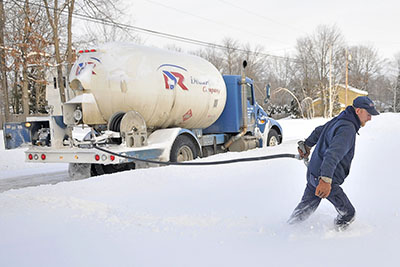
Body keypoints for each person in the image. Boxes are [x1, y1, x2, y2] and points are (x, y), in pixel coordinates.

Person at [288, 96, 379, 231]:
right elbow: (332, 155)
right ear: (358, 110)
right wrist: (325, 180)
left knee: (304, 210)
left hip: (314, 174)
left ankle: (287, 230)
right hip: (324, 178)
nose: (370, 118)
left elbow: (320, 131)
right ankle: (336, 238)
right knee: (348, 213)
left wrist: (307, 145)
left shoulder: (341, 119)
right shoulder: (347, 129)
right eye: (368, 114)